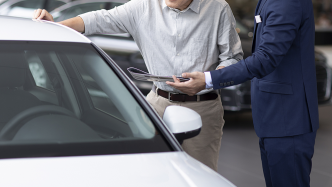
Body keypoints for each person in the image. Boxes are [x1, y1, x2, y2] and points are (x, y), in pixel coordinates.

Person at [33, 0, 243, 171]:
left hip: (203, 108)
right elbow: (97, 20)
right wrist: (57, 25)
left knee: (201, 174)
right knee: (151, 172)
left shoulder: (218, 9)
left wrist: (207, 78)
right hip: (156, 105)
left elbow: (233, 58)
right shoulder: (143, 7)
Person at [167, 0, 318, 186]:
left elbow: (266, 57)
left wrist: (209, 79)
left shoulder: (285, 2)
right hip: (276, 119)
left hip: (288, 120)